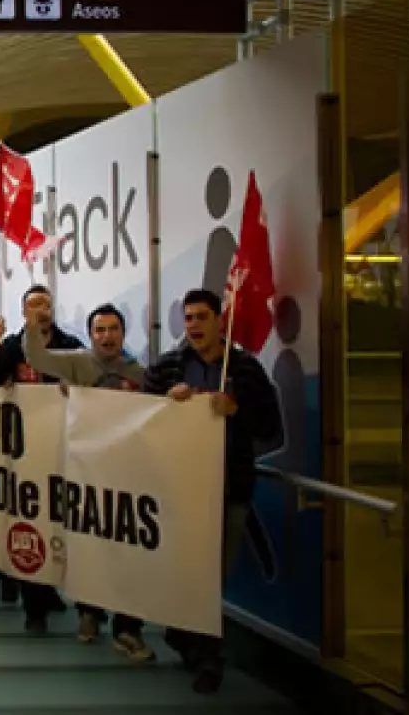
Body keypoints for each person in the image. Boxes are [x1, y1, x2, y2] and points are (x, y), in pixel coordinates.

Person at [144, 289, 280, 694]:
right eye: (188, 318)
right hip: (178, 489)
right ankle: (191, 640)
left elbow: (270, 426)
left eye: (202, 317)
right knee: (189, 573)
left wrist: (237, 410)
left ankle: (202, 651)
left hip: (229, 489)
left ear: (221, 321)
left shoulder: (246, 370)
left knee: (212, 577)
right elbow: (139, 420)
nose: (195, 325)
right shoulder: (167, 368)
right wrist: (166, 405)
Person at [24, 302, 155, 660]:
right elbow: (37, 358)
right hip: (84, 474)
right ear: (91, 334)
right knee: (88, 547)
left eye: (114, 329)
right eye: (100, 330)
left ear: (123, 334)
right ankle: (89, 612)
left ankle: (127, 628)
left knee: (128, 552)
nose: (107, 336)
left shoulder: (140, 374)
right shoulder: (77, 363)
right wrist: (33, 325)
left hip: (127, 477)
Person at [0, 285, 80, 626]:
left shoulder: (69, 346)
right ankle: (33, 603)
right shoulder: (13, 346)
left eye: (46, 304)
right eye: (34, 305)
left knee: (57, 519)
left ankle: (47, 589)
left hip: (61, 448)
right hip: (22, 449)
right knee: (29, 517)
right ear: (24, 312)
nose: (41, 310)